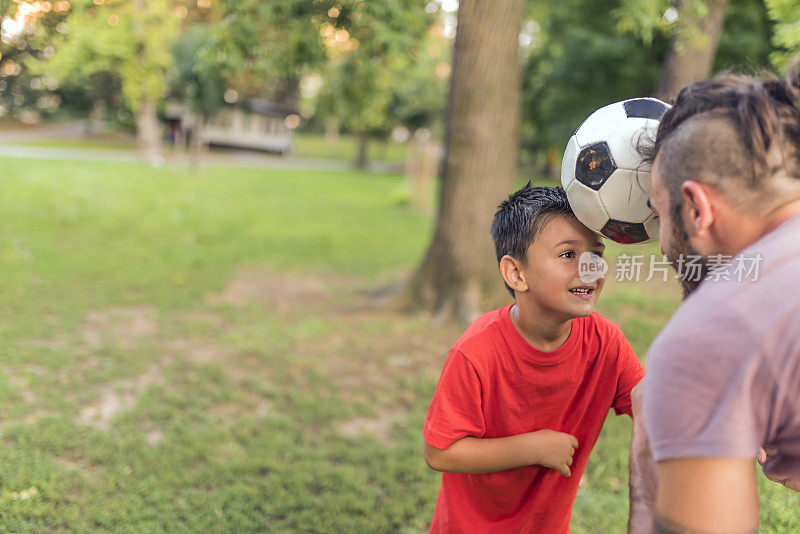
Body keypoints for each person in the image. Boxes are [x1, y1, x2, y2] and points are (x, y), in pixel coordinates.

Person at [634, 63, 800, 533]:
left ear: (695, 207)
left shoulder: (712, 330)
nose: (663, 243)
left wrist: (652, 469)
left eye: (659, 213)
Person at [423, 184, 645, 533]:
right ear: (516, 273)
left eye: (596, 255)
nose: (589, 269)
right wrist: (533, 447)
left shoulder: (606, 342)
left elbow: (652, 403)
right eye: (568, 255)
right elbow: (441, 452)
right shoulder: (476, 352)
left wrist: (725, 425)